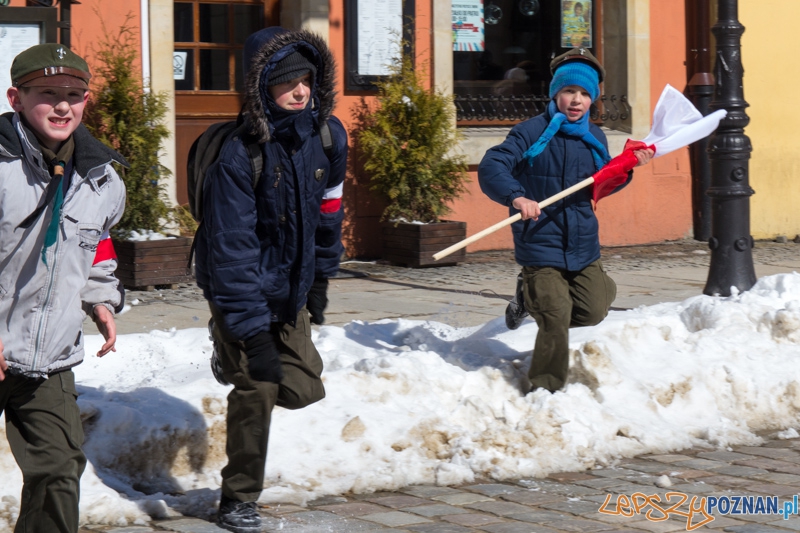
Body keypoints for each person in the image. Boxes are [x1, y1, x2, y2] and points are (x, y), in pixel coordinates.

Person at [193, 27, 347, 533]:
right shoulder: (239, 156)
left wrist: (321, 277)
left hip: (291, 288)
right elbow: (231, 251)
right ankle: (238, 499)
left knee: (302, 387)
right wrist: (251, 331)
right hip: (242, 289)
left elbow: (329, 212)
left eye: (305, 78)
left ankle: (233, 356)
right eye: (286, 82)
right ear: (261, 87)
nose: (299, 91)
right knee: (258, 389)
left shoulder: (327, 137)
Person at [0, 44, 125, 532]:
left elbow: (95, 243)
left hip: (46, 356)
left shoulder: (101, 178)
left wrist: (99, 298)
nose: (61, 105)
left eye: (73, 95)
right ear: (16, 97)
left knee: (58, 469)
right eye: (47, 93)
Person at [478, 48, 652, 394]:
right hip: (539, 239)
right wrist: (517, 196)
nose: (577, 100)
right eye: (570, 91)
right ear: (556, 93)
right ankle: (547, 389)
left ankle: (530, 301)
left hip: (583, 242)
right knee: (556, 316)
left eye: (585, 94)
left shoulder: (595, 138)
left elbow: (600, 184)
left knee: (593, 309)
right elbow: (492, 166)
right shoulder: (530, 132)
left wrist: (628, 169)